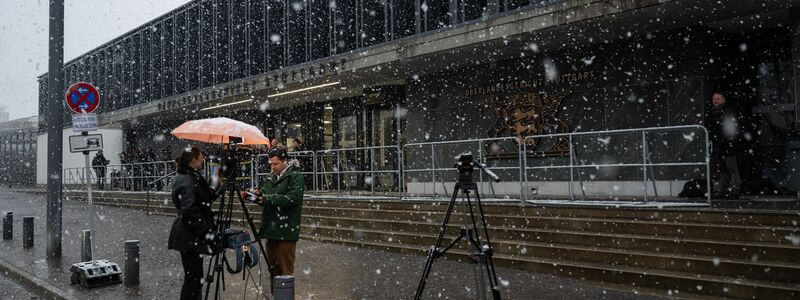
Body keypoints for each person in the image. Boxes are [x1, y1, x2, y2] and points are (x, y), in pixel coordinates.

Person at [168, 146, 223, 300]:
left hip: (189, 236)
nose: (203, 159)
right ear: (193, 160)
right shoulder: (188, 179)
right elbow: (191, 212)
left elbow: (204, 196)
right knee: (193, 280)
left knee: (194, 279)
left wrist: (218, 186)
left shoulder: (189, 175)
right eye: (201, 157)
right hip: (188, 237)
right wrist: (208, 234)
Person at [247, 147, 304, 293]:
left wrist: (267, 198)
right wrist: (256, 195)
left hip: (285, 230)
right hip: (271, 229)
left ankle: (284, 296)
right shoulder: (271, 176)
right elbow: (265, 196)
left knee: (285, 270)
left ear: (285, 161)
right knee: (273, 268)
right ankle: (276, 295)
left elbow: (292, 199)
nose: (273, 167)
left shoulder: (295, 176)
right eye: (271, 164)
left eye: (276, 163)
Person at [706, 91, 742, 199]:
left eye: (717, 99)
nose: (715, 101)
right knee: (721, 169)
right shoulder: (712, 112)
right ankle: (724, 189)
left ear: (723, 99)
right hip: (718, 145)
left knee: (731, 168)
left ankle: (735, 190)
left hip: (728, 144)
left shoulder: (728, 111)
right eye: (714, 99)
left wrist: (730, 142)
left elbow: (731, 128)